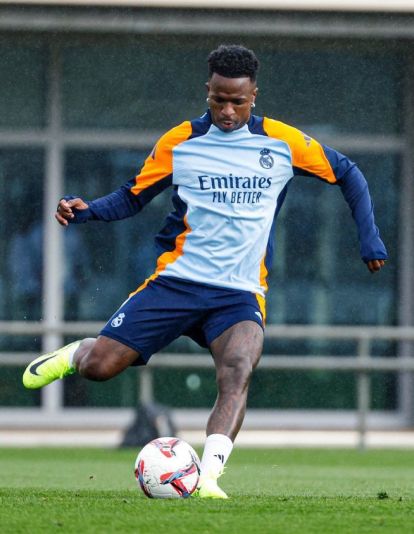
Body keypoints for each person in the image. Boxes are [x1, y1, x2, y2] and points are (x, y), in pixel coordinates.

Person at [23, 44, 387, 498]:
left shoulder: (282, 142)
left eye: (238, 101)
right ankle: (76, 354)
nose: (228, 111)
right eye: (219, 100)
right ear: (207, 92)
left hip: (238, 292)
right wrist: (87, 211)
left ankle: (209, 477)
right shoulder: (181, 141)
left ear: (255, 95)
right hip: (177, 282)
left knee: (237, 369)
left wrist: (368, 237)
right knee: (101, 368)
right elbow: (133, 195)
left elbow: (349, 172)